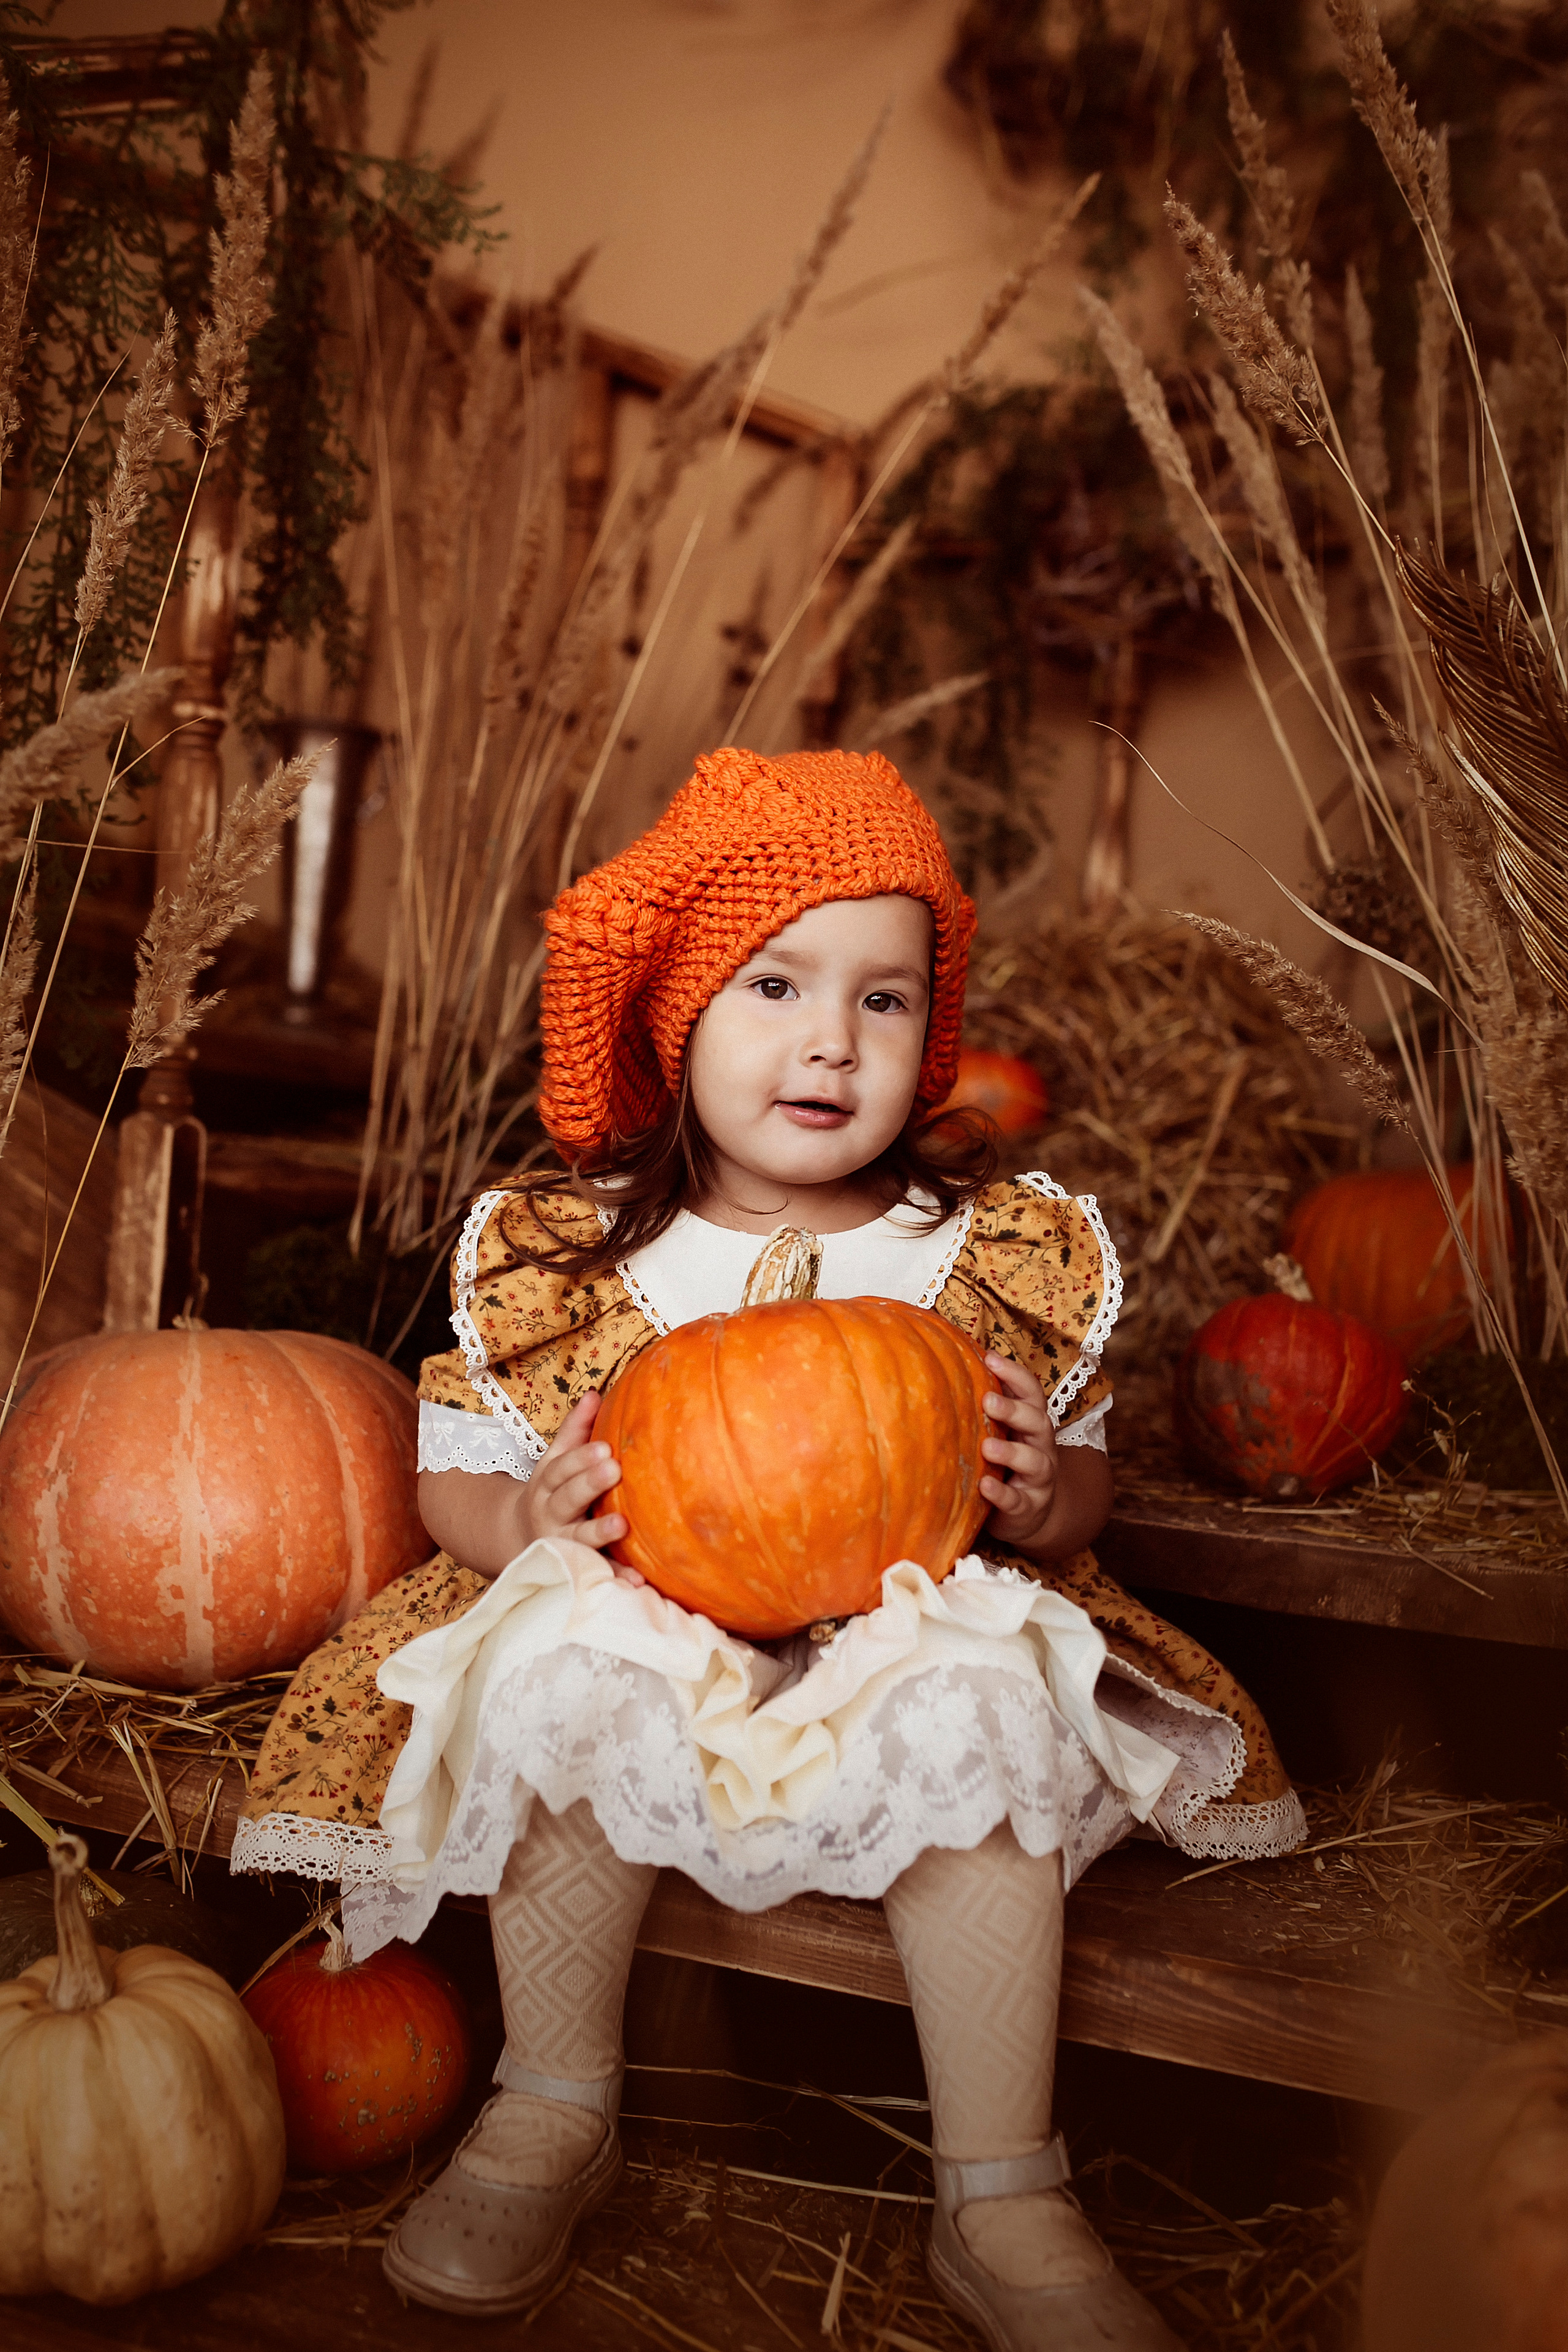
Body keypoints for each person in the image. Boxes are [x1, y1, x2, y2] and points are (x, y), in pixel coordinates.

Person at [233, 747, 1305, 2352]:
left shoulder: (983, 1249)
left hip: (896, 1627)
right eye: (778, 985)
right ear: (679, 1015)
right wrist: (525, 1519)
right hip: (660, 1629)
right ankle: (552, 2104)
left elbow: (1087, 1494)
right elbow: (455, 1472)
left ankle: (1003, 2189)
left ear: (929, 1033)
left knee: (988, 1703)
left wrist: (1033, 1497)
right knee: (558, 1664)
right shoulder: (577, 1246)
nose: (832, 1038)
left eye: (885, 1000)